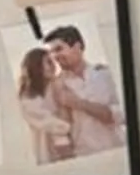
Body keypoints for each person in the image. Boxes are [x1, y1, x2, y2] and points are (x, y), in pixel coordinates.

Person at [46, 25, 124, 159]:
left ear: (77, 46)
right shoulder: (55, 86)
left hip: (118, 151)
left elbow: (119, 115)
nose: (55, 56)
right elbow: (59, 134)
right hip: (84, 157)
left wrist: (78, 103)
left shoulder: (106, 74)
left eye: (59, 49)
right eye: (51, 53)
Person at [16, 46, 74, 164]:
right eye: (48, 62)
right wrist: (71, 128)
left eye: (53, 62)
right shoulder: (29, 99)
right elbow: (53, 124)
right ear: (37, 67)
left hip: (68, 147)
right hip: (47, 153)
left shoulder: (55, 86)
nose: (53, 66)